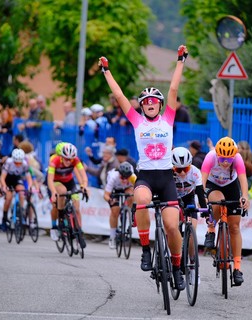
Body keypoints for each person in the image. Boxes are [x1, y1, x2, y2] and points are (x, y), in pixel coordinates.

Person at [98, 44, 188, 290]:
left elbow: (173, 88)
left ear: (159, 105)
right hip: (147, 176)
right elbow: (119, 96)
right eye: (145, 101)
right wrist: (106, 71)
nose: (149, 103)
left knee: (171, 226)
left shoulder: (168, 118)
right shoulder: (136, 120)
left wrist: (180, 60)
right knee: (140, 199)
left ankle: (178, 268)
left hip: (166, 178)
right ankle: (146, 250)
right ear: (142, 106)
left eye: (153, 101)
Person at [201, 136, 250, 286]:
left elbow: (243, 180)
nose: (225, 162)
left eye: (229, 159)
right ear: (217, 154)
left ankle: (237, 268)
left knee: (234, 227)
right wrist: (204, 199)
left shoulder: (238, 159)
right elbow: (202, 183)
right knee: (218, 201)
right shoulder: (210, 157)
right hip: (213, 184)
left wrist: (245, 198)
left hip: (231, 185)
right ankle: (211, 229)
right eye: (222, 158)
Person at [171, 147, 206, 283]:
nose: (182, 173)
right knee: (173, 228)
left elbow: (200, 194)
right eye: (178, 170)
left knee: (192, 232)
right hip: (173, 198)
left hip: (188, 198)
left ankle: (192, 267)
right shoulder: (168, 172)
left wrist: (205, 211)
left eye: (185, 169)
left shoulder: (195, 172)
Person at [47, 143, 88, 241]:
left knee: (76, 206)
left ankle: (79, 229)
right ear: (61, 156)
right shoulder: (55, 161)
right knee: (60, 195)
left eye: (71, 159)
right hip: (55, 182)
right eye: (66, 159)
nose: (68, 161)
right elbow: (49, 180)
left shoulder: (75, 160)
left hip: (69, 181)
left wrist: (84, 186)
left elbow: (83, 176)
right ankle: (56, 224)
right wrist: (53, 192)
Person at [103, 162, 136, 249]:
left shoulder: (133, 177)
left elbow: (138, 190)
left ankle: (128, 212)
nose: (125, 180)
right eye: (122, 177)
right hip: (115, 190)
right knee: (115, 210)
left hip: (127, 188)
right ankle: (112, 237)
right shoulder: (113, 177)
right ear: (119, 174)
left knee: (132, 195)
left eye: (127, 178)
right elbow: (106, 195)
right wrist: (110, 200)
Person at [0, 148, 33, 231]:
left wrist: (30, 186)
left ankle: (20, 211)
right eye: (16, 162)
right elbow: (2, 177)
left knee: (22, 191)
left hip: (17, 178)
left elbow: (29, 178)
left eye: (19, 162)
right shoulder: (9, 162)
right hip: (8, 179)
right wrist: (4, 186)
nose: (18, 164)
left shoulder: (24, 163)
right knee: (8, 198)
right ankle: (4, 218)